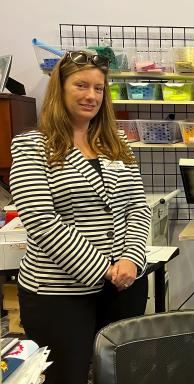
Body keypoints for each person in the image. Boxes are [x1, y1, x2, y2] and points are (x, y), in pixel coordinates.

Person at [10, 51, 151, 384]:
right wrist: (106, 269)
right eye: (81, 85)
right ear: (60, 88)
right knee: (66, 376)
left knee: (120, 374)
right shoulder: (32, 145)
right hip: (58, 293)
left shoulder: (116, 144)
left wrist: (131, 259)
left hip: (123, 286)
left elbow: (137, 208)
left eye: (99, 89)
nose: (91, 95)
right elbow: (41, 221)